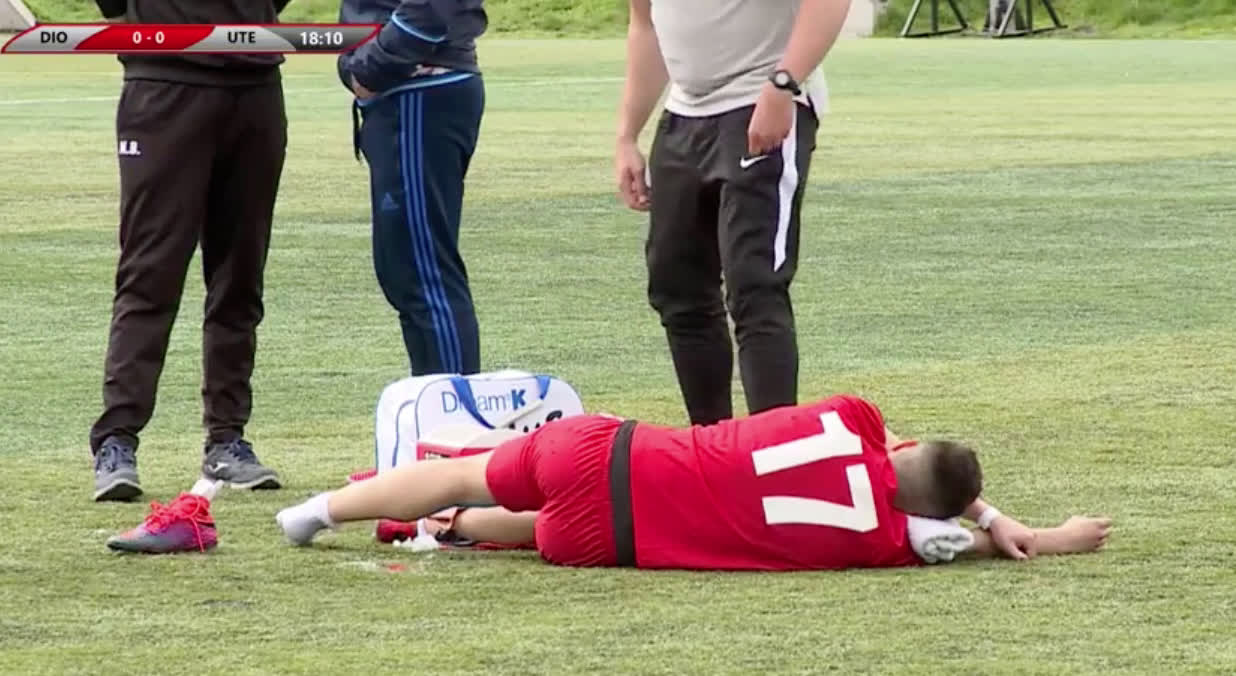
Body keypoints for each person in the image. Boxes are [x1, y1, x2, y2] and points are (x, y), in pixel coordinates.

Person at [276, 395, 1113, 570]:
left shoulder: (853, 416)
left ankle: (318, 511)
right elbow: (961, 539)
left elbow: (896, 443)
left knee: (463, 469)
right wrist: (1049, 535)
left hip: (605, 451)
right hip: (608, 539)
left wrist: (985, 504)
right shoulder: (890, 539)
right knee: (542, 531)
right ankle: (454, 526)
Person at [612, 0, 850, 425]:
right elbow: (645, 25)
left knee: (754, 284)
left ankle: (774, 449)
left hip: (761, 99)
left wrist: (784, 83)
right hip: (685, 113)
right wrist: (627, 135)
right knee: (677, 287)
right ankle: (711, 442)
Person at [89, 0, 289, 502]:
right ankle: (116, 441)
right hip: (163, 86)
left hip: (255, 86)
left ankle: (227, 440)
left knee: (240, 276)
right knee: (150, 273)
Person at [338, 0, 487, 376]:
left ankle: (454, 410)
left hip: (417, 87)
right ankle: (438, 405)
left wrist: (373, 65)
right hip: (413, 87)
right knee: (409, 273)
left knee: (425, 276)